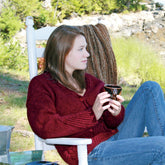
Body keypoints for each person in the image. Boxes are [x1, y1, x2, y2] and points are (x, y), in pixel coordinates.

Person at [26, 25, 165, 165]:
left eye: (86, 48)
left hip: (115, 139)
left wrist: (115, 112)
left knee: (150, 88)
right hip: (90, 152)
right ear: (63, 52)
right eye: (81, 49)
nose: (87, 54)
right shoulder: (41, 85)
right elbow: (45, 126)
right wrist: (92, 114)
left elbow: (112, 123)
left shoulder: (89, 80)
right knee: (162, 147)